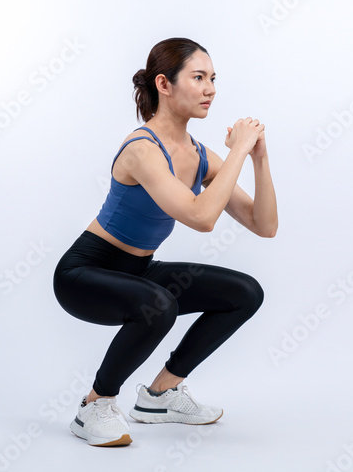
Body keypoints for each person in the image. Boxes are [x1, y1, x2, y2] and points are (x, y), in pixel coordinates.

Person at [53, 37, 278, 447]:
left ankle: (161, 396)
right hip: (84, 273)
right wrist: (239, 152)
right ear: (164, 84)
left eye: (213, 78)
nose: (210, 88)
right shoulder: (142, 149)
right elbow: (200, 217)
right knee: (160, 305)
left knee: (245, 292)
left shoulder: (199, 154)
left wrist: (258, 158)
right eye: (198, 77)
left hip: (139, 270)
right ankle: (94, 406)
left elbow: (264, 225)